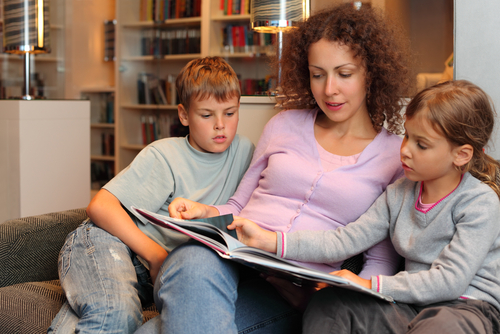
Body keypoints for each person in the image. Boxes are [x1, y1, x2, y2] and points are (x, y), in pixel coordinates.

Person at [136, 4, 412, 334]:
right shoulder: (283, 124)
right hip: (228, 258)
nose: (329, 90)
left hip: (289, 289)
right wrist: (203, 211)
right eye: (317, 74)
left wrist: (327, 302)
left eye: (344, 74)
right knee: (191, 259)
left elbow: (379, 263)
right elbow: (238, 207)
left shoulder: (396, 156)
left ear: (371, 72)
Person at [231, 80, 500, 334]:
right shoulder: (399, 194)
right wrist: (271, 241)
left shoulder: (479, 202)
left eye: (422, 144)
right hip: (409, 306)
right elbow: (345, 240)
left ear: (461, 155)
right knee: (329, 304)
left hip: (465, 306)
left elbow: (450, 281)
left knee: (440, 329)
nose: (405, 150)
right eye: (407, 136)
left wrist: (371, 284)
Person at [47, 56, 255, 334]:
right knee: (116, 317)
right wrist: (157, 256)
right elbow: (100, 206)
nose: (220, 125)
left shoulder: (246, 152)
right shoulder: (165, 154)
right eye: (206, 115)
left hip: (154, 277)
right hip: (107, 243)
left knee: (98, 319)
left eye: (230, 113)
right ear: (183, 115)